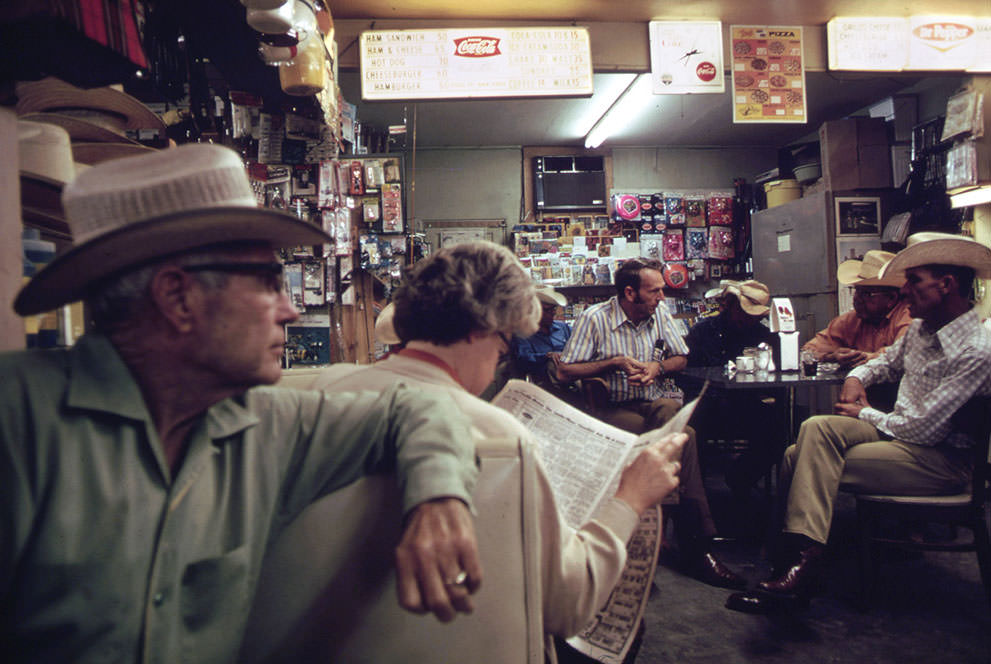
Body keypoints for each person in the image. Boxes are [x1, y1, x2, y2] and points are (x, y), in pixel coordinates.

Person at [0, 144, 484, 663]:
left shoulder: (268, 425)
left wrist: (438, 497)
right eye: (269, 283)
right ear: (178, 298)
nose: (291, 311)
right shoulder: (18, 416)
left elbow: (419, 407)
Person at [311, 242, 685, 662]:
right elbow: (569, 605)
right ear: (479, 330)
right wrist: (630, 500)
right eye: (502, 348)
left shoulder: (318, 395)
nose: (495, 365)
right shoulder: (503, 437)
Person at [726, 232, 991, 614]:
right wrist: (855, 379)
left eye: (913, 281)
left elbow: (925, 430)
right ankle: (801, 564)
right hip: (896, 434)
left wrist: (863, 412)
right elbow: (884, 363)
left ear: (946, 284)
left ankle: (792, 565)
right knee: (816, 428)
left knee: (797, 457)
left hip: (938, 461)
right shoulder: (920, 329)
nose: (905, 291)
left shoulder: (976, 350)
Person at [557, 258, 745, 590]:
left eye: (662, 289)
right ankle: (696, 545)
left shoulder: (658, 313)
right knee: (680, 435)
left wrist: (656, 369)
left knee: (673, 424)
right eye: (655, 290)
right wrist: (614, 363)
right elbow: (566, 370)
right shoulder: (594, 318)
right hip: (613, 407)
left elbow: (682, 356)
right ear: (630, 292)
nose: (662, 296)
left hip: (656, 400)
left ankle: (660, 540)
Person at [684, 279, 782, 497]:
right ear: (729, 305)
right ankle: (696, 493)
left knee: (780, 427)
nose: (749, 319)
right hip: (707, 405)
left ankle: (740, 477)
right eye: (744, 312)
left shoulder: (763, 335)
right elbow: (687, 374)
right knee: (692, 425)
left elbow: (777, 372)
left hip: (746, 405)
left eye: (753, 315)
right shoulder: (702, 332)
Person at [803, 249, 912, 369]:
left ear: (891, 298)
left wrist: (865, 358)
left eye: (866, 294)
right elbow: (808, 351)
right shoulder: (851, 320)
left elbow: (901, 354)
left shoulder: (908, 316)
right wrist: (832, 356)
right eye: (856, 291)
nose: (857, 299)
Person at [512, 285, 573, 391]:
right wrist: (547, 356)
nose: (552, 314)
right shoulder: (523, 334)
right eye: (547, 310)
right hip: (544, 385)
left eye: (553, 309)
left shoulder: (563, 328)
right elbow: (523, 358)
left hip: (571, 375)